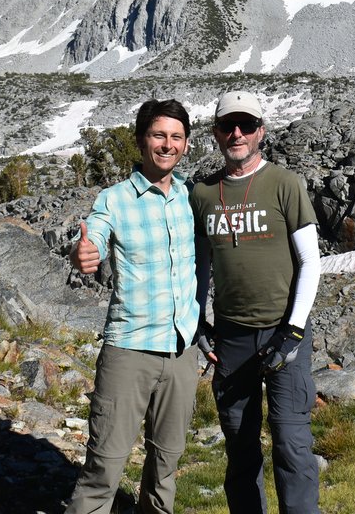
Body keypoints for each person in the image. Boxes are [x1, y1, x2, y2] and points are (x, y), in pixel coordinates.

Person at [66, 99, 201, 514]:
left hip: (181, 351)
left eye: (176, 137)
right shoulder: (115, 199)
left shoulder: (191, 197)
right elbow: (95, 238)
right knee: (104, 468)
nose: (167, 144)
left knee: (165, 469)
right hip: (129, 350)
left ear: (186, 144)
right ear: (142, 141)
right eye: (159, 135)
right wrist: (84, 253)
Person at [190, 90, 321, 514]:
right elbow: (200, 266)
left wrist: (294, 331)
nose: (237, 133)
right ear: (216, 133)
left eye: (246, 125)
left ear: (261, 131)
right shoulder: (203, 194)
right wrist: (199, 322)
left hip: (285, 334)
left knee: (291, 442)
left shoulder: (284, 183)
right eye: (228, 126)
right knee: (239, 446)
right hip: (230, 338)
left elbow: (310, 262)